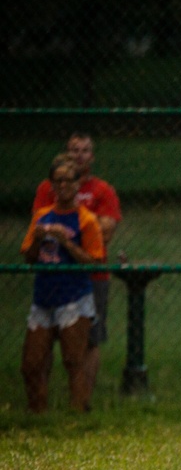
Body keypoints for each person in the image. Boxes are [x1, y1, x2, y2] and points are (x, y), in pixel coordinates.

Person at [32, 133, 121, 409]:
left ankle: (81, 403)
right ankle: (39, 403)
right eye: (74, 150)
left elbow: (105, 231)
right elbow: (38, 226)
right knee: (44, 340)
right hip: (52, 275)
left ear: (91, 157)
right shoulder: (46, 189)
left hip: (91, 276)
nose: (79, 155)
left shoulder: (103, 191)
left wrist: (68, 225)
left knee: (89, 341)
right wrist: (80, 227)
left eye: (85, 151)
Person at [21, 155, 105, 413]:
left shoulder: (86, 220)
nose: (64, 185)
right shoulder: (42, 216)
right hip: (44, 298)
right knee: (31, 364)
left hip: (74, 298)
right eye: (58, 181)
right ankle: (38, 413)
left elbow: (93, 262)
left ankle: (78, 413)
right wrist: (37, 239)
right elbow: (29, 257)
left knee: (73, 360)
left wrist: (66, 242)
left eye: (69, 180)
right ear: (51, 185)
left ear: (78, 185)